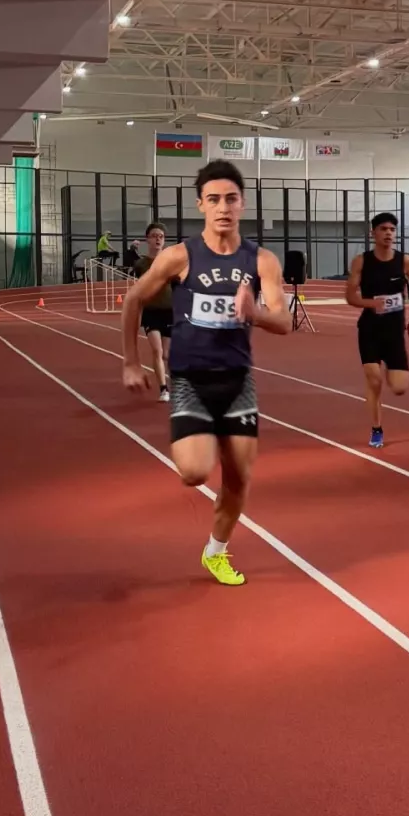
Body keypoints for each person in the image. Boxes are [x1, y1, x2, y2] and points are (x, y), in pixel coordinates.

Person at [121, 161, 291, 586]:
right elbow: (133, 300)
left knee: (239, 478)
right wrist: (130, 361)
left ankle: (215, 552)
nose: (223, 207)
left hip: (237, 381)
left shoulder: (261, 260)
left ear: (243, 203)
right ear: (201, 205)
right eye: (213, 199)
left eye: (231, 199)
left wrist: (254, 313)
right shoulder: (180, 256)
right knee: (195, 472)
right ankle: (204, 432)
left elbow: (284, 321)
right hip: (191, 380)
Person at [346, 212, 409, 449]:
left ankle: (391, 366)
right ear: (373, 233)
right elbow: (350, 296)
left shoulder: (404, 262)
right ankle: (377, 428)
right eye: (383, 229)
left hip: (394, 332)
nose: (389, 233)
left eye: (392, 229)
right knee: (374, 379)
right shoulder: (361, 261)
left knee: (399, 387)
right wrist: (372, 303)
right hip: (369, 329)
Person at [133, 221, 173, 402]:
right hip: (151, 312)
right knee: (157, 351)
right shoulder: (140, 264)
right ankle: (163, 389)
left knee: (166, 354)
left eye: (161, 236)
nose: (158, 239)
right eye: (154, 236)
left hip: (170, 311)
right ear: (147, 239)